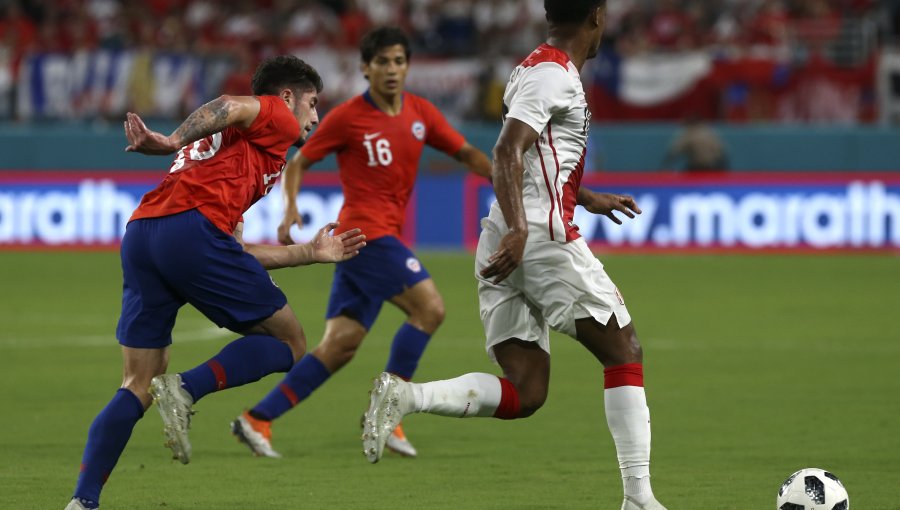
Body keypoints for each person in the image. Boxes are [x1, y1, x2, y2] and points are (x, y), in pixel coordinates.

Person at [361, 2, 668, 510]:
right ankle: (638, 498)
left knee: (526, 391)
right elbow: (507, 150)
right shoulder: (553, 74)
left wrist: (585, 196)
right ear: (596, 17)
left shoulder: (532, 67)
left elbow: (534, 158)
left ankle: (406, 397)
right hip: (537, 237)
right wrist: (525, 229)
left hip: (505, 235)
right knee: (624, 350)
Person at [65, 55, 366, 510]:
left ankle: (82, 502)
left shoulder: (239, 155)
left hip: (145, 234)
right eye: (312, 103)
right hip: (191, 233)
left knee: (138, 382)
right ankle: (186, 389)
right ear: (287, 97)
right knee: (291, 343)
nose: (315, 115)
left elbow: (233, 252)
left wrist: (309, 253)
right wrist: (170, 139)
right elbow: (228, 104)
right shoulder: (275, 116)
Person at [230, 26, 492, 459]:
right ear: (365, 68)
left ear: (408, 66)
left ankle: (258, 418)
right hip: (367, 235)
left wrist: (499, 175)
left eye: (399, 61)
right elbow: (299, 162)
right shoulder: (349, 117)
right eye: (382, 62)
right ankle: (389, 413)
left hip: (363, 244)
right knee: (430, 308)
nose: (391, 69)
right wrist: (289, 207)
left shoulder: (421, 113)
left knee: (339, 346)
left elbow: (465, 152)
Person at [660, 116, 728, 172]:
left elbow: (674, 151)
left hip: (698, 167)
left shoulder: (689, 132)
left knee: (685, 182)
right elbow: (722, 151)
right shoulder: (710, 132)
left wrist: (665, 167)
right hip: (715, 166)